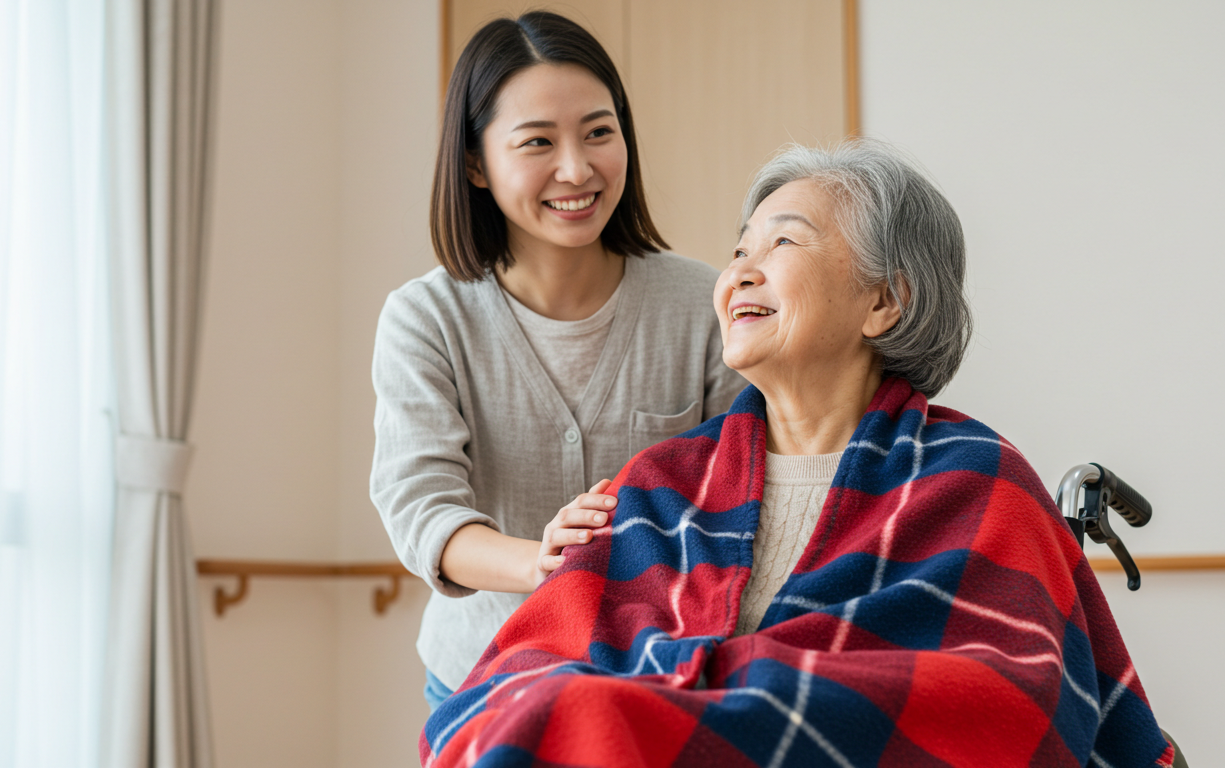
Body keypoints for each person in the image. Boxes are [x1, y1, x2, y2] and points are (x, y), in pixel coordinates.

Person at [419, 139, 1175, 768]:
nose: (740, 271)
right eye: (738, 249)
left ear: (884, 301)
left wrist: (689, 700)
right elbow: (517, 675)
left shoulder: (978, 476)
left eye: (782, 242)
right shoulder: (661, 486)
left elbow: (1009, 706)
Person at [370, 11, 746, 710]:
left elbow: (743, 488)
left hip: (662, 680)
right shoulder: (426, 318)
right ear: (476, 162)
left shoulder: (702, 303)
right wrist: (536, 560)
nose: (577, 168)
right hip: (482, 677)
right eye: (537, 141)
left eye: (599, 132)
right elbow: (422, 510)